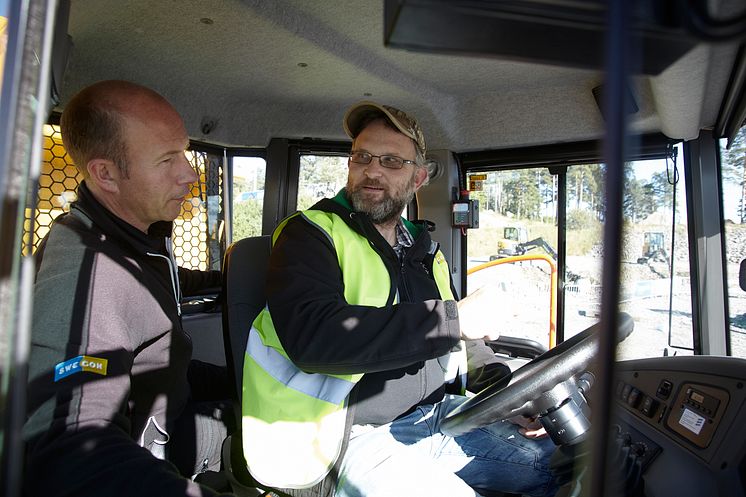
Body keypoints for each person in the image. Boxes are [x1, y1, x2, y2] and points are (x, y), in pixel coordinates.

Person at [241, 101, 558, 497]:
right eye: (363, 157)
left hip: (440, 416)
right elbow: (314, 337)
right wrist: (451, 320)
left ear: (418, 177)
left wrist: (504, 395)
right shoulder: (310, 234)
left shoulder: (424, 249)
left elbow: (464, 341)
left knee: (561, 463)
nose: (372, 170)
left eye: (392, 161)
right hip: (350, 437)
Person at [23, 80, 233, 497]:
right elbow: (68, 447)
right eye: (167, 159)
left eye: (185, 151)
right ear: (106, 173)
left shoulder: (134, 237)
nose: (189, 173)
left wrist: (226, 279)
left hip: (169, 396)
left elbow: (160, 288)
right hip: (152, 449)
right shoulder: (86, 275)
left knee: (261, 395)